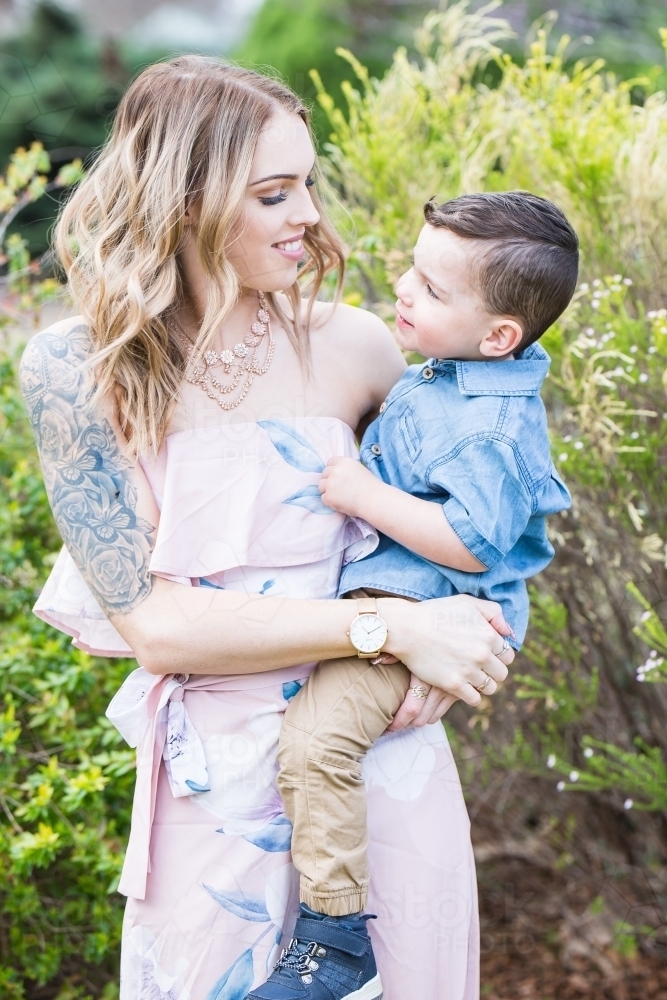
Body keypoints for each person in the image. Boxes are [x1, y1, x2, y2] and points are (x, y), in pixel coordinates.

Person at [20, 56, 514, 1000]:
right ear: (184, 199)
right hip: (213, 792)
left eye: (311, 186)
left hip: (377, 771)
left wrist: (459, 644)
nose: (311, 219)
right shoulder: (74, 369)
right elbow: (156, 627)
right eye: (276, 193)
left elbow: (479, 526)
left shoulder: (359, 345)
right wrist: (391, 628)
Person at [257, 191, 575, 999]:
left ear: (498, 334)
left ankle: (333, 938)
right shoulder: (455, 373)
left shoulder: (486, 427)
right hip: (396, 601)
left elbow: (473, 542)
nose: (402, 287)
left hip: (423, 609)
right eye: (412, 267)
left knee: (316, 743)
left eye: (432, 290)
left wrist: (361, 493)